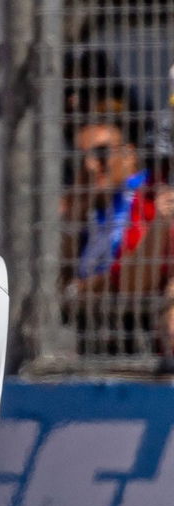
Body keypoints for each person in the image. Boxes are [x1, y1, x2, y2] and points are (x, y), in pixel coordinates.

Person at [64, 114, 174, 362]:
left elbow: (131, 285)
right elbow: (64, 292)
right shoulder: (92, 209)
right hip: (98, 339)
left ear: (128, 154)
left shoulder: (147, 195)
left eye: (101, 154)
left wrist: (91, 287)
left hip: (142, 336)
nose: (91, 166)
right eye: (81, 159)